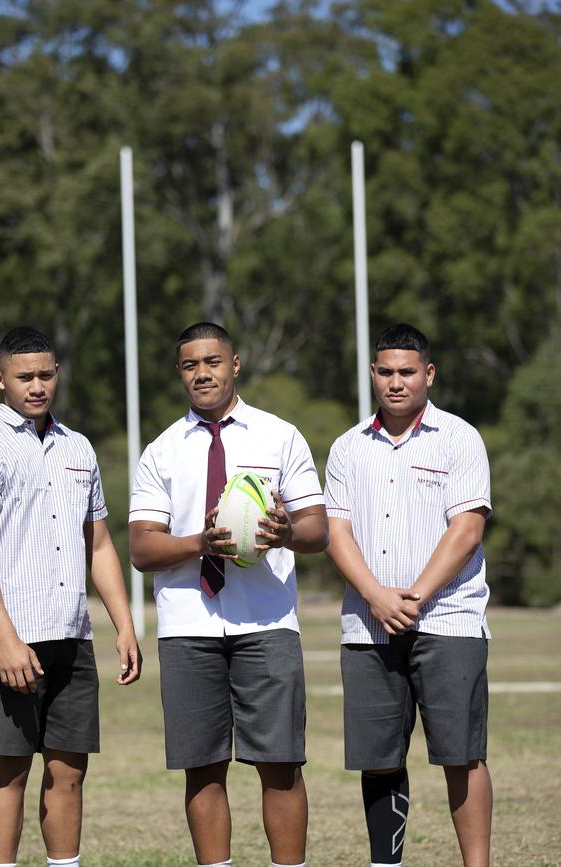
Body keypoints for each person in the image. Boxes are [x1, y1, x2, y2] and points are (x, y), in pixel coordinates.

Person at [128, 322, 328, 867]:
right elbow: (142, 549)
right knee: (202, 766)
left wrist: (283, 532)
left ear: (234, 365)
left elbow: (318, 530)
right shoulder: (161, 451)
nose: (202, 373)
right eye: (190, 365)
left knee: (280, 763)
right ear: (179, 373)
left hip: (267, 622)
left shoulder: (279, 436)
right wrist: (201, 542)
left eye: (212, 362)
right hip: (189, 627)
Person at [0, 326, 142, 867]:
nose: (37, 386)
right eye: (24, 376)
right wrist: (6, 640)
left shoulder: (78, 448)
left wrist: (124, 625)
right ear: (0, 379)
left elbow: (98, 543)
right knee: (10, 769)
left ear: (57, 373)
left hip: (71, 634)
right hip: (9, 640)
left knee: (69, 771)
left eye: (45, 374)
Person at [325, 323, 493, 867]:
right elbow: (336, 532)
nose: (396, 383)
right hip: (368, 626)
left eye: (407, 372)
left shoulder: (460, 438)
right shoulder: (348, 448)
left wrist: (412, 596)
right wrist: (376, 597)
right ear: (373, 374)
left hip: (449, 622)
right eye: (386, 372)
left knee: (461, 756)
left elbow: (467, 528)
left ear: (429, 374)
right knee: (378, 760)